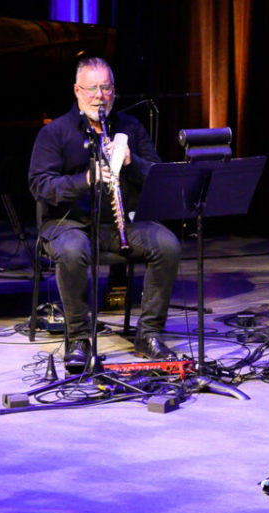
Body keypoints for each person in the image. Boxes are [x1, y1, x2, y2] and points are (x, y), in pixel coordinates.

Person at [29, 57, 182, 371]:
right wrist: (86, 179)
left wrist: (130, 162)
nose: (99, 95)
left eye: (106, 87)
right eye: (92, 88)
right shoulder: (55, 132)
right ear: (77, 91)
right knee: (72, 251)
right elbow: (40, 186)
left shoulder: (130, 127)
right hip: (67, 224)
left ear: (114, 90)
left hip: (117, 223)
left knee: (167, 245)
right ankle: (79, 338)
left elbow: (158, 174)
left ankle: (148, 334)